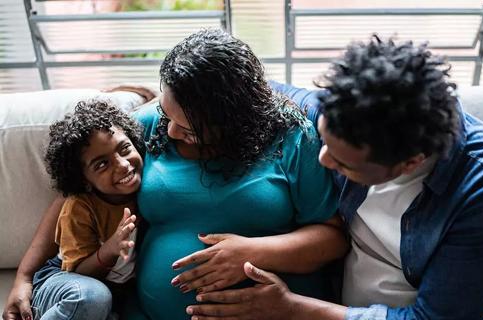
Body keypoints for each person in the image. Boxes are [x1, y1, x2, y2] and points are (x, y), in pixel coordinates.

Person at [3, 29, 348, 320]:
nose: (170, 133)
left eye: (189, 129)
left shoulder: (291, 138)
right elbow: (75, 188)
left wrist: (251, 252)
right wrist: (25, 275)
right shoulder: (153, 125)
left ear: (235, 120)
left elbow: (332, 237)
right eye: (168, 117)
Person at [185, 36, 483, 319]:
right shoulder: (344, 111)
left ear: (410, 161)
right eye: (325, 142)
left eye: (343, 162)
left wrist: (291, 309)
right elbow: (245, 91)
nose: (323, 160)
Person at [30, 101, 142, 320]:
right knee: (93, 297)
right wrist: (110, 249)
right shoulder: (80, 208)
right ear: (84, 181)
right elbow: (78, 272)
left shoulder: (146, 189)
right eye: (101, 165)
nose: (122, 165)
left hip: (115, 293)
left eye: (125, 149)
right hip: (65, 282)